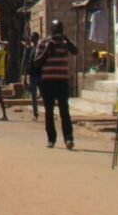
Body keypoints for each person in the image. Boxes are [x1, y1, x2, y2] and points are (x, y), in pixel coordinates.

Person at [36, 19, 78, 149]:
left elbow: (75, 51)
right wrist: (48, 49)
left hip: (62, 81)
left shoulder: (65, 43)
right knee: (49, 111)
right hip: (47, 82)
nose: (57, 33)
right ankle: (51, 139)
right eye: (55, 30)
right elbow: (36, 62)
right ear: (51, 31)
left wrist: (66, 39)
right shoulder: (44, 43)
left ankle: (68, 138)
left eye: (60, 30)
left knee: (64, 110)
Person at [22, 32, 42, 120]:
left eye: (33, 37)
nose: (32, 39)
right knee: (33, 94)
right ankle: (35, 113)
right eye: (31, 37)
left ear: (37, 38)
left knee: (44, 94)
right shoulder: (29, 49)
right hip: (32, 74)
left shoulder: (40, 48)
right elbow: (26, 62)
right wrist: (25, 75)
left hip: (40, 74)